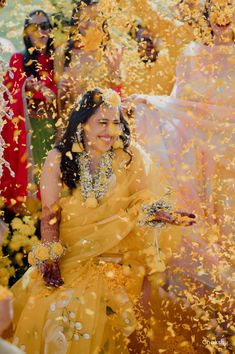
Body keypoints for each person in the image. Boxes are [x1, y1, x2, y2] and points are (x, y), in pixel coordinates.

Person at [10, 88, 195, 354]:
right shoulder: (59, 159)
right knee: (59, 314)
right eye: (102, 123)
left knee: (114, 314)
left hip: (118, 254)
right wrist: (50, 258)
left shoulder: (131, 155)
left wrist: (159, 211)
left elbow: (142, 198)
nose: (111, 131)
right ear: (82, 123)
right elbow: (50, 214)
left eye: (116, 122)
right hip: (70, 255)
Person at [123, 1, 235, 351]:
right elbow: (181, 106)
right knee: (207, 237)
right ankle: (213, 326)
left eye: (228, 8)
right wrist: (149, 103)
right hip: (199, 157)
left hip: (231, 158)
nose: (221, 17)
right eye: (215, 9)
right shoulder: (190, 53)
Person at [1, 9, 57, 214]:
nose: (40, 31)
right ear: (26, 33)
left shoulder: (56, 61)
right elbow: (8, 94)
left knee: (51, 183)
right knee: (29, 182)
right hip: (27, 131)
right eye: (34, 27)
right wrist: (27, 86)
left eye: (44, 26)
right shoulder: (18, 60)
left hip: (52, 131)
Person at [56, 0, 123, 122]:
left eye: (94, 18)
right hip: (73, 122)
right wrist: (62, 90)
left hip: (104, 121)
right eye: (84, 18)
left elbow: (122, 98)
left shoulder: (112, 51)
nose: (89, 24)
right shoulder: (64, 52)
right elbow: (59, 103)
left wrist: (115, 72)